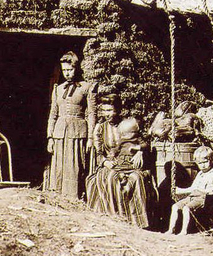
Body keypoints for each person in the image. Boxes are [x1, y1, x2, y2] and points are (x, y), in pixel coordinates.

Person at [85, 94, 155, 228]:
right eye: (104, 110)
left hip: (130, 162)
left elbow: (142, 142)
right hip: (111, 163)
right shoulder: (100, 128)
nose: (107, 114)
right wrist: (105, 162)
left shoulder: (129, 124)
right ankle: (116, 216)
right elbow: (98, 153)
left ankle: (138, 221)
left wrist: (140, 151)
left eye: (110, 110)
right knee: (111, 177)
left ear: (118, 110)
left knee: (137, 178)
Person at [46, 51, 96, 199]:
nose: (67, 73)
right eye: (65, 70)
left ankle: (74, 197)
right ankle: (58, 197)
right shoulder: (58, 89)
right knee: (59, 166)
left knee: (74, 165)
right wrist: (50, 137)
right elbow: (53, 114)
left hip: (77, 131)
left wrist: (91, 137)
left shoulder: (87, 87)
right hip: (60, 132)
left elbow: (92, 113)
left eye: (70, 69)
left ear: (77, 68)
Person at [164, 146, 213, 235]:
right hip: (193, 195)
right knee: (175, 207)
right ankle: (171, 229)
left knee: (186, 208)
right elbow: (193, 188)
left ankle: (184, 230)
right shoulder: (200, 173)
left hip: (204, 197)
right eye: (200, 163)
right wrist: (179, 190)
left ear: (211, 160)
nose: (203, 165)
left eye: (205, 162)